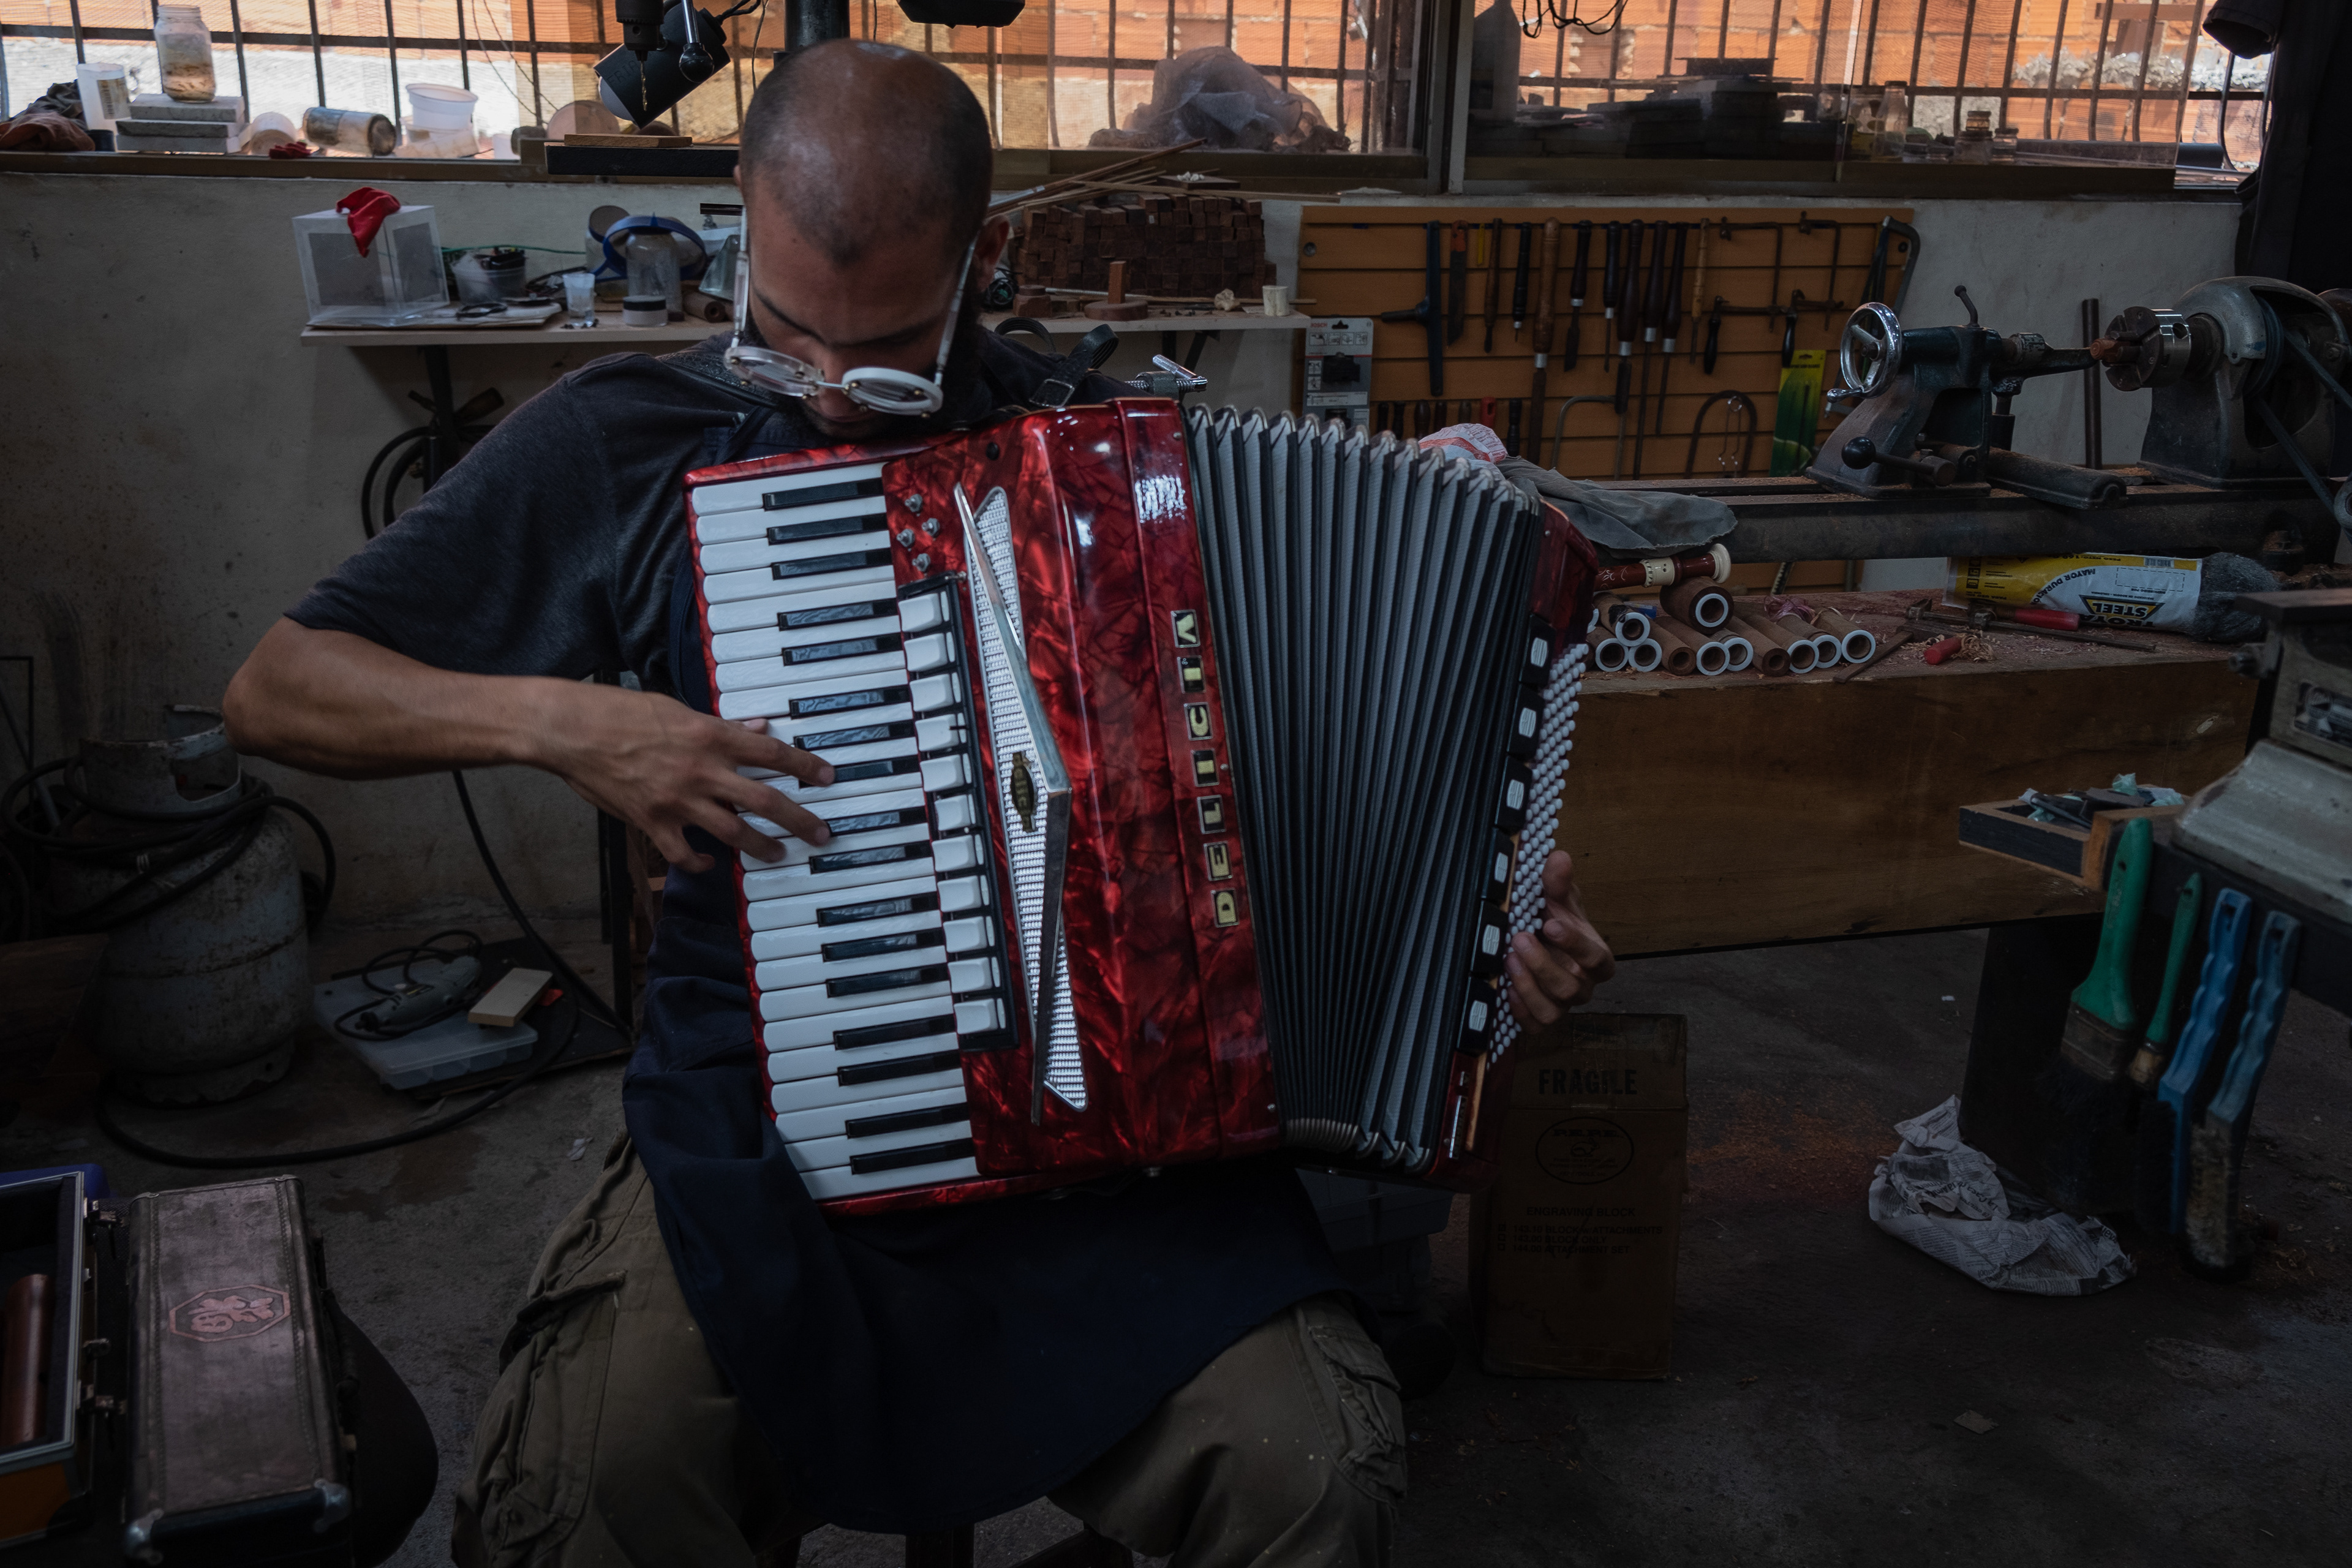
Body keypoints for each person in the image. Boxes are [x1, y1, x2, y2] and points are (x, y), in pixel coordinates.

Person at [224, 40, 1614, 1568]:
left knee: (1313, 1472)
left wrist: (1485, 938)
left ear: (984, 260)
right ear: (741, 213)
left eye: (883, 352)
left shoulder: (1122, 478)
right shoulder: (620, 439)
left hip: (1125, 1128)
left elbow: (1354, 785)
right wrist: (568, 725)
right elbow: (282, 689)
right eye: (784, 337)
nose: (825, 398)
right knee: (585, 1487)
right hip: (760, 1110)